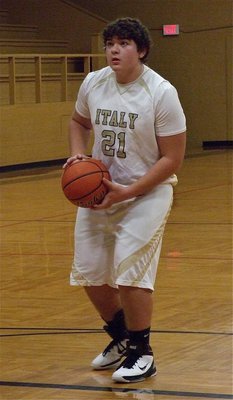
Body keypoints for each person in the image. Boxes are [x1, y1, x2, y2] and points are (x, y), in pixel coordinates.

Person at [64, 17, 186, 383]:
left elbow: (172, 159)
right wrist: (76, 158)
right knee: (90, 273)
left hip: (146, 192)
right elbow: (78, 122)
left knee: (131, 274)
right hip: (102, 190)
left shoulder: (161, 93)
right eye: (110, 43)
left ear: (141, 50)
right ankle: (119, 338)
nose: (114, 50)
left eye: (123, 43)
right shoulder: (94, 82)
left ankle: (142, 352)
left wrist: (129, 191)